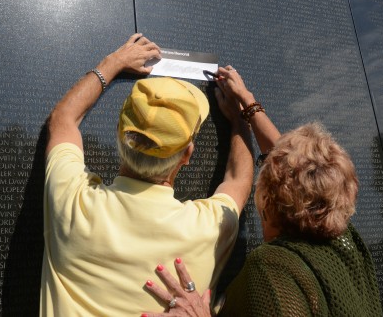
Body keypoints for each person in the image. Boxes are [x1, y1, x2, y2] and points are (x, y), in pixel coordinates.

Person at [142, 66, 383, 317]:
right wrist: (247, 104)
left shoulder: (271, 269)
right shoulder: (346, 241)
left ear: (266, 201)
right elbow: (296, 168)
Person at [40, 34, 254, 316]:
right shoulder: (209, 228)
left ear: (119, 133)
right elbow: (239, 180)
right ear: (187, 154)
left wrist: (114, 62)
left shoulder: (72, 202)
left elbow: (63, 119)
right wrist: (240, 120)